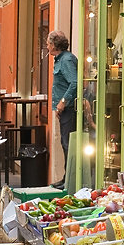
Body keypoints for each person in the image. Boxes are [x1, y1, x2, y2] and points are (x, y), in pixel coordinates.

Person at [47, 30, 78, 187]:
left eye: (48, 43)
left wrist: (63, 102)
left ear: (53, 45)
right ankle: (67, 178)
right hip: (64, 109)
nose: (47, 46)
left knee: (68, 144)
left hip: (69, 108)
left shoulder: (66, 60)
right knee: (65, 143)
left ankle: (69, 180)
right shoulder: (60, 59)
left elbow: (74, 82)